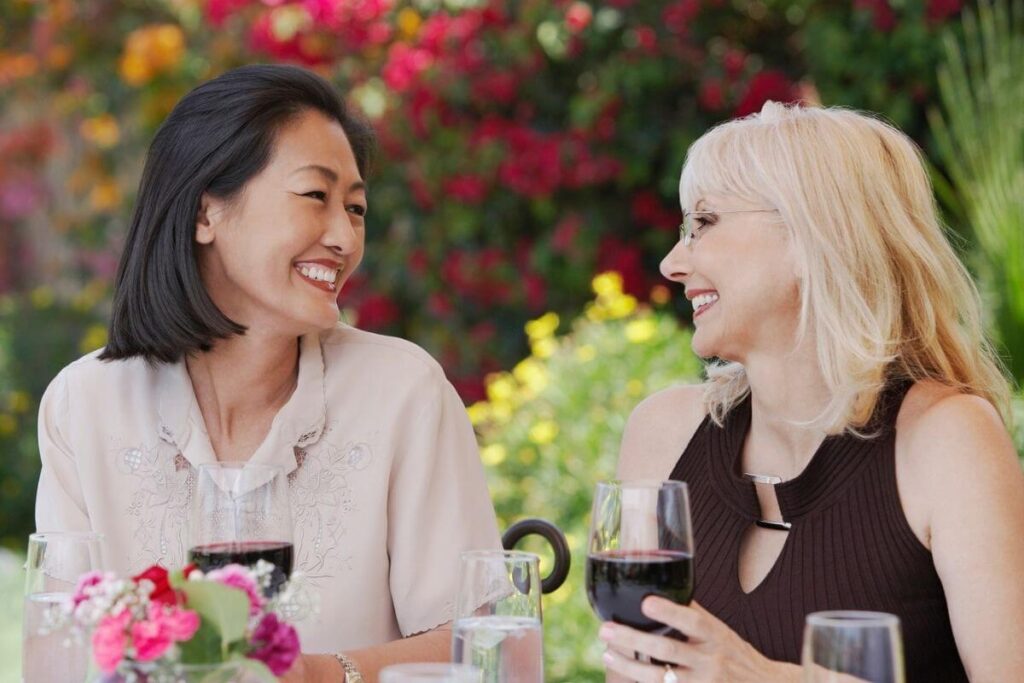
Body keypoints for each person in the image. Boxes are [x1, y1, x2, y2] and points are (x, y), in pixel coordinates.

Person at [33, 64, 500, 682]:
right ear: (206, 213)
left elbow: (487, 646)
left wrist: (317, 675)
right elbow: (59, 655)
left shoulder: (402, 393)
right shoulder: (85, 405)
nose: (344, 236)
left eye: (356, 208)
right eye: (315, 195)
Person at [598, 102, 1024, 682]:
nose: (674, 262)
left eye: (704, 223)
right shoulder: (663, 435)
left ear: (811, 235)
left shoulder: (946, 438)